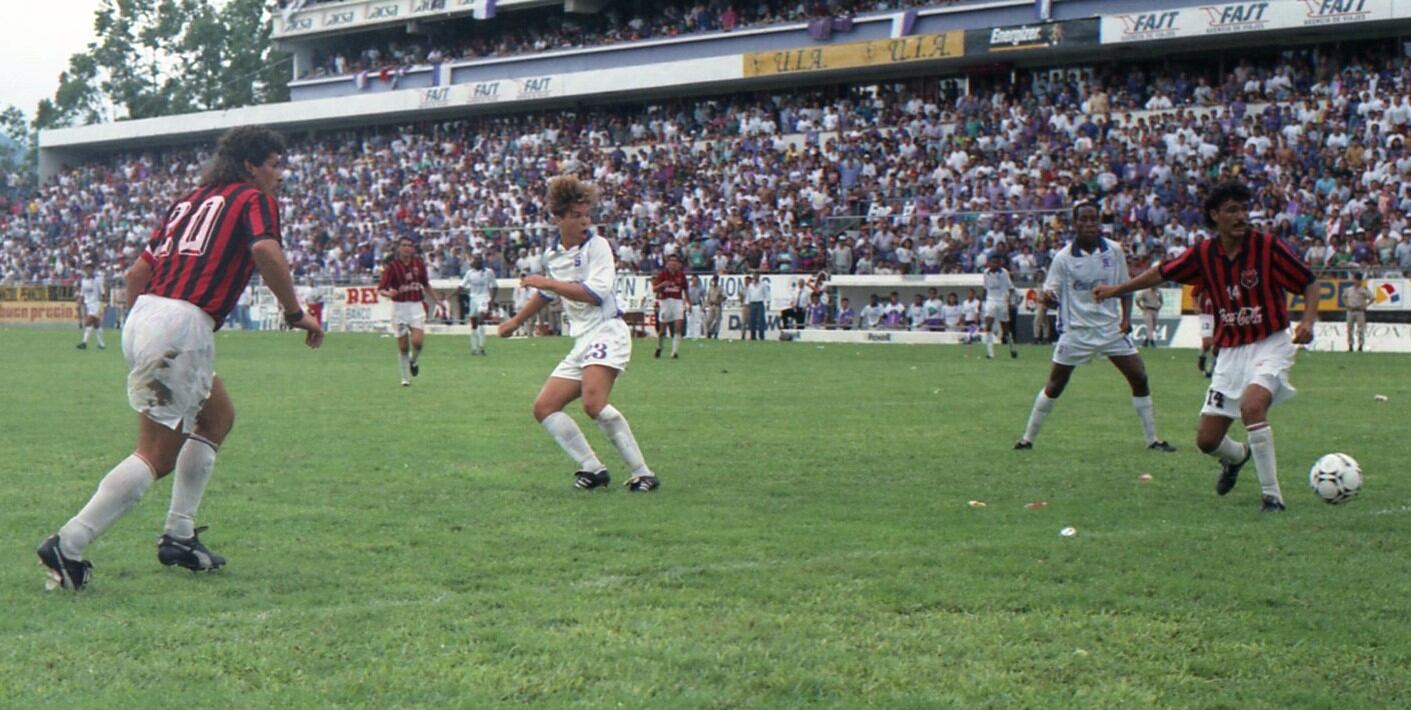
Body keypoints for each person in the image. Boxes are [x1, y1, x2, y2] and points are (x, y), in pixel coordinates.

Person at [36, 125, 325, 591]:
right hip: (180, 323)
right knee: (156, 454)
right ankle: (69, 543)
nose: (279, 174)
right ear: (251, 165)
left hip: (148, 313)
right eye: (274, 163)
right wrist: (296, 314)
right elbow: (266, 249)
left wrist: (148, 326)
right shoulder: (252, 199)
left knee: (216, 417)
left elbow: (137, 272)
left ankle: (180, 535)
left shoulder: (188, 201)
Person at [1096, 181, 1317, 512]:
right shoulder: (1204, 254)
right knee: (1207, 441)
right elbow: (1161, 274)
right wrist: (1118, 290)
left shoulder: (1267, 247)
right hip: (1230, 352)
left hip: (1270, 342)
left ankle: (1272, 496)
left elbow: (1309, 282)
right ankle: (1237, 457)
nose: (1241, 216)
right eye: (1232, 210)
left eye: (1244, 209)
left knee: (1253, 407)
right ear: (1215, 216)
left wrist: (1308, 322)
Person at [495, 175, 658, 493]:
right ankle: (593, 468)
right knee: (544, 407)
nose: (584, 221)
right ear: (558, 218)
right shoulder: (552, 255)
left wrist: (548, 283)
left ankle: (643, 473)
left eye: (586, 215)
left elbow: (594, 294)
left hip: (608, 331)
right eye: (576, 215)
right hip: (583, 340)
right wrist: (515, 322)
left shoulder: (599, 247)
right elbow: (547, 295)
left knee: (593, 403)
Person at [1015, 201, 1176, 452]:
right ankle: (1027, 439)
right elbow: (1051, 291)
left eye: (1093, 219)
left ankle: (1153, 440)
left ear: (1099, 222)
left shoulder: (1114, 251)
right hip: (1076, 332)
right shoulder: (1063, 258)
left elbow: (1125, 286)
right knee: (1055, 385)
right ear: (1075, 224)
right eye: (1084, 220)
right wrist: (1048, 299)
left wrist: (1125, 319)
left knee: (1139, 377)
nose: (1089, 225)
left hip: (1110, 329)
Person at [379, 236, 448, 386]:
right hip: (399, 307)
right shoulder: (392, 267)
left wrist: (437, 299)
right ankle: (405, 379)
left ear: (413, 248)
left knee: (418, 342)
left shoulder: (418, 263)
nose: (407, 248)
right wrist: (388, 293)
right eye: (404, 245)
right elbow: (381, 289)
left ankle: (413, 361)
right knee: (403, 346)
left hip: (416, 305)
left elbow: (425, 284)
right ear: (399, 248)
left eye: (409, 245)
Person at [652, 253, 689, 358]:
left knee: (678, 327)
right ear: (667, 263)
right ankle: (659, 347)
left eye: (675, 261)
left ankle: (675, 352)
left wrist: (688, 303)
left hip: (677, 301)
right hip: (666, 301)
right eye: (671, 261)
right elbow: (654, 288)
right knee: (662, 329)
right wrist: (662, 285)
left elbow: (685, 290)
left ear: (678, 263)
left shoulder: (681, 275)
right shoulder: (663, 274)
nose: (673, 263)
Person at [459, 254, 497, 356]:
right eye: (476, 259)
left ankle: (481, 347)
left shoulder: (489, 272)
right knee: (474, 325)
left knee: (481, 320)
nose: (478, 261)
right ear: (473, 261)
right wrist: (451, 296)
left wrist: (492, 300)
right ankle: (474, 348)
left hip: (484, 298)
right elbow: (461, 286)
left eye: (479, 260)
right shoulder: (469, 273)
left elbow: (495, 287)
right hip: (473, 299)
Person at [983, 257, 1018, 358]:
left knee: (1005, 329)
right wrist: (982, 302)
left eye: (996, 263)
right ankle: (990, 353)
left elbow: (1011, 288)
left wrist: (1011, 302)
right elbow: (985, 288)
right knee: (988, 325)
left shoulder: (1004, 273)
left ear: (999, 264)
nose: (993, 265)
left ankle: (1012, 348)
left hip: (1001, 301)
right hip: (990, 300)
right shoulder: (986, 273)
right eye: (992, 262)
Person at [75, 264, 107, 350]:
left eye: (90, 269)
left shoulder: (97, 280)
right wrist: (79, 303)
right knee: (96, 325)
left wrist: (104, 305)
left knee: (88, 322)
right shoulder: (83, 281)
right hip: (88, 305)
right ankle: (101, 344)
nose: (89, 271)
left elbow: (103, 293)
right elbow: (82, 294)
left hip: (96, 304)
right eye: (87, 269)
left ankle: (84, 343)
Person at [1193, 283, 1218, 377]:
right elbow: (1193, 294)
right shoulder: (1205, 277)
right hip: (1206, 315)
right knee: (1207, 343)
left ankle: (1210, 370)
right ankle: (1202, 357)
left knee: (1217, 345)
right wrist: (1195, 305)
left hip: (1220, 315)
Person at [1345, 272, 1372, 352]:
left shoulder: (1364, 290)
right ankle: (1350, 345)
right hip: (1350, 310)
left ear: (1360, 280)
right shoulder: (1349, 289)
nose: (1355, 281)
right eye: (1354, 279)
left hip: (1359, 311)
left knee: (1360, 329)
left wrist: (1365, 305)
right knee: (1349, 329)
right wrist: (1347, 305)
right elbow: (1344, 297)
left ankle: (1360, 345)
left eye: (1357, 280)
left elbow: (1372, 298)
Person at [745, 273, 768, 340]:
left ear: (759, 276)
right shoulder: (751, 285)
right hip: (752, 303)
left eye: (756, 276)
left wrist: (768, 302)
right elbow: (748, 295)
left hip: (760, 303)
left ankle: (761, 336)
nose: (755, 277)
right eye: (754, 276)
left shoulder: (763, 284)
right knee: (752, 320)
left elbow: (766, 294)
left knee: (761, 320)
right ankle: (753, 336)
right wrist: (747, 303)